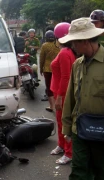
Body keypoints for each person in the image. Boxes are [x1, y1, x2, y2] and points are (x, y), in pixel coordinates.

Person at [61, 17, 104, 180]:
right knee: (78, 171)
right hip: (79, 129)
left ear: (85, 41)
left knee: (100, 171)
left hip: (101, 132)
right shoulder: (77, 64)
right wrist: (67, 127)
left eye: (74, 42)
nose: (72, 46)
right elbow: (70, 97)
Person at [50, 22, 77, 164]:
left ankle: (69, 152)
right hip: (59, 92)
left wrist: (60, 97)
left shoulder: (65, 53)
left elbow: (66, 77)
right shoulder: (66, 51)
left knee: (65, 123)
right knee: (60, 122)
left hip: (63, 94)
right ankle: (61, 145)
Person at [39, 30, 60, 112]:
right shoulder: (58, 45)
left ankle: (52, 106)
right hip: (57, 69)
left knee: (49, 87)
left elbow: (41, 59)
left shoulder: (44, 45)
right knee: (57, 86)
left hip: (47, 69)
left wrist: (40, 69)